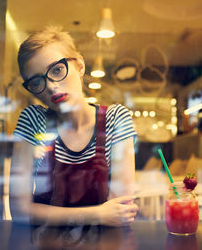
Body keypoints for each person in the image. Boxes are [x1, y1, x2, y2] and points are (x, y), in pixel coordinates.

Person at [10, 26, 138, 227]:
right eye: (37, 82)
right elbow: (19, 210)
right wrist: (97, 214)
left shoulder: (115, 118)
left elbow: (120, 211)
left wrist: (45, 213)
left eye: (57, 69)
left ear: (79, 65)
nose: (51, 86)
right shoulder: (33, 120)